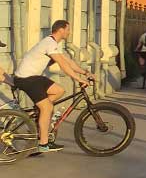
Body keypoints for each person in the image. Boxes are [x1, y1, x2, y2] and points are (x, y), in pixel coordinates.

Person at [11, 20, 93, 154]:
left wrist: (85, 72)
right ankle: (43, 143)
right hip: (26, 79)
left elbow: (68, 61)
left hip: (34, 77)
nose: (69, 32)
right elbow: (62, 64)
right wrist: (78, 79)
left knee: (59, 91)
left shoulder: (54, 44)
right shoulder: (49, 43)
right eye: (68, 29)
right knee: (47, 107)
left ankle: (39, 118)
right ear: (60, 30)